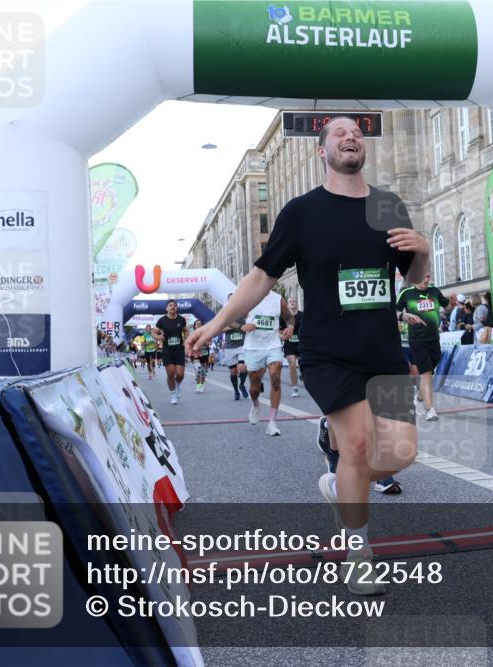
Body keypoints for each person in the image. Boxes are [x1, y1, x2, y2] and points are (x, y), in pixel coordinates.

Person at [187, 116, 426, 594]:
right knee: (356, 448)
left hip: (382, 352)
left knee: (401, 453)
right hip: (328, 353)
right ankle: (358, 554)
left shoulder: (387, 205)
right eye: (339, 133)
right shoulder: (301, 212)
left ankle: (339, 485)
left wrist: (421, 251)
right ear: (322, 151)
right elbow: (262, 277)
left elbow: (413, 278)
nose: (350, 136)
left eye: (356, 133)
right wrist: (216, 322)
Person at [397, 272, 449, 422]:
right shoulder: (406, 293)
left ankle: (419, 396)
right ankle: (430, 409)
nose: (426, 280)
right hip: (417, 340)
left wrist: (452, 303)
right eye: (423, 277)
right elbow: (394, 310)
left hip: (434, 339)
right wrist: (401, 317)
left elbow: (446, 305)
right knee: (426, 372)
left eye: (428, 276)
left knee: (430, 370)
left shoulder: (434, 291)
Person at [242, 291, 294, 436]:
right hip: (253, 347)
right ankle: (255, 404)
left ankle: (272, 423)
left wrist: (290, 326)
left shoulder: (278, 299)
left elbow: (289, 317)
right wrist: (241, 327)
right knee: (254, 387)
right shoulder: (247, 296)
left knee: (275, 379)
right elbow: (230, 318)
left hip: (273, 345)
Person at [154, 300, 188, 405]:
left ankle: (177, 385)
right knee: (171, 373)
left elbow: (185, 330)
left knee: (180, 374)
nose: (173, 307)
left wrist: (187, 340)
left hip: (179, 350)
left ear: (176, 308)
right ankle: (173, 395)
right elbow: (154, 332)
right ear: (166, 308)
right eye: (170, 305)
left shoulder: (181, 319)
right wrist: (158, 336)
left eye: (174, 305)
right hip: (167, 350)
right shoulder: (162, 320)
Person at [283, 296, 303, 397]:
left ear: (297, 303)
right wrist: (282, 335)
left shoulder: (302, 315)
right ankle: (295, 389)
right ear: (287, 304)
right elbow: (278, 330)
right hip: (289, 344)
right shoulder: (284, 317)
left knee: (303, 364)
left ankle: (301, 372)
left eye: (294, 301)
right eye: (290, 301)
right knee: (292, 365)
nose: (292, 302)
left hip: (301, 344)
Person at [191, 319, 210, 393]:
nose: (198, 325)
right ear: (194, 326)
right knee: (198, 369)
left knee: (203, 372)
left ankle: (201, 386)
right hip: (195, 354)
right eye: (197, 324)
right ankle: (198, 385)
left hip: (204, 353)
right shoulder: (192, 334)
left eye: (200, 324)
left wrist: (202, 339)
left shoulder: (206, 333)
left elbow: (209, 344)